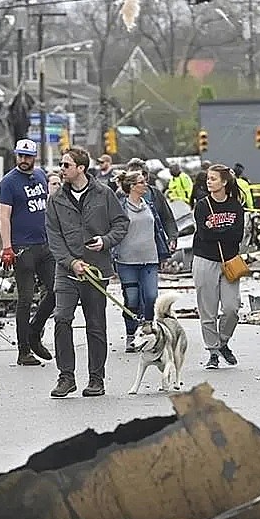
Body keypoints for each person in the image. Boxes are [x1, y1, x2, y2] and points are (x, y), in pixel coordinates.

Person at [45, 146, 128, 398]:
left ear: (81, 168)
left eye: (66, 165)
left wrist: (105, 241)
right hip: (66, 271)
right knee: (61, 319)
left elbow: (121, 223)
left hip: (96, 269)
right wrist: (71, 262)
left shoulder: (104, 194)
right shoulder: (56, 199)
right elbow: (54, 236)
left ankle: (96, 379)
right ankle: (66, 377)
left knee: (95, 324)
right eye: (61, 165)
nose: (62, 169)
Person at [0, 139, 55, 366]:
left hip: (44, 244)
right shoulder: (8, 182)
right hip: (22, 248)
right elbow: (3, 216)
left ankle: (34, 331)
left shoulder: (41, 175)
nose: (23, 160)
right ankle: (24, 351)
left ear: (35, 157)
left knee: (55, 290)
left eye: (27, 156)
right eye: (20, 156)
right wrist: (6, 247)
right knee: (25, 299)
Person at [113, 170, 173, 352]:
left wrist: (163, 253)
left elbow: (159, 229)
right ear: (132, 187)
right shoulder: (121, 206)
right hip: (127, 260)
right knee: (131, 298)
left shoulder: (149, 205)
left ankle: (148, 332)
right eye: (141, 182)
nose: (145, 185)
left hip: (150, 258)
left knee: (151, 296)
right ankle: (131, 333)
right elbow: (113, 229)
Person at [192, 164, 244, 369]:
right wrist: (223, 231)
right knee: (208, 310)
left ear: (224, 182)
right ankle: (212, 351)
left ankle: (223, 341)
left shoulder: (235, 206)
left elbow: (237, 235)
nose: (209, 182)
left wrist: (216, 230)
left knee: (232, 308)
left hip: (230, 261)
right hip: (205, 260)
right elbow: (204, 235)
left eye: (213, 179)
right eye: (208, 179)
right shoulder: (203, 205)